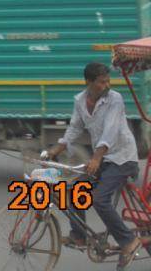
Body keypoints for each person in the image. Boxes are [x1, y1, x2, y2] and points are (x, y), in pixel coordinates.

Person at [47, 62, 142, 268]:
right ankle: (79, 236)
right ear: (88, 82)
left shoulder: (114, 99)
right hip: (104, 159)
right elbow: (74, 128)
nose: (106, 85)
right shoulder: (80, 101)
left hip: (123, 158)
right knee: (72, 191)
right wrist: (56, 149)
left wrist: (97, 157)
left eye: (108, 80)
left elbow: (110, 131)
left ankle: (128, 240)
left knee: (99, 199)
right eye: (101, 82)